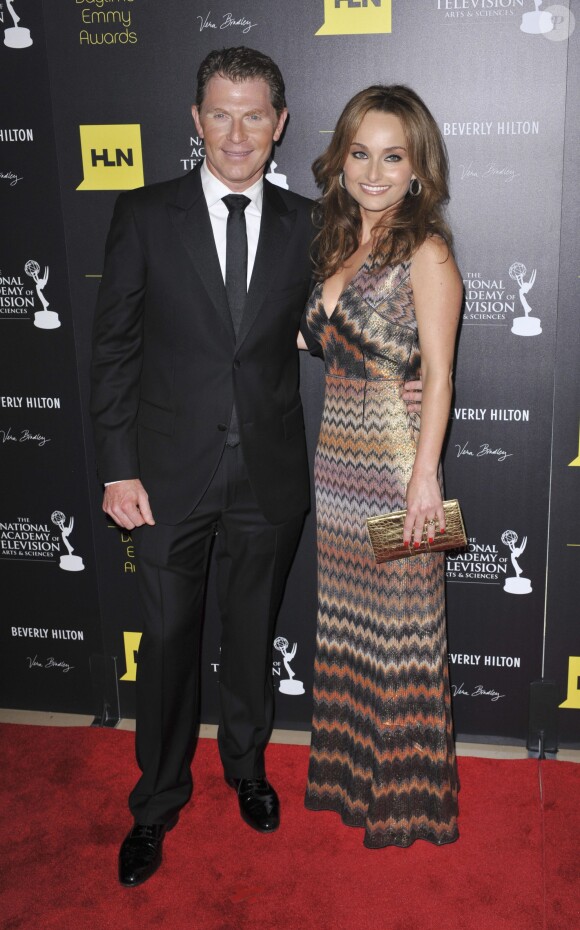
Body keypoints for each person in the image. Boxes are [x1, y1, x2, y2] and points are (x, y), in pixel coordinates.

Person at [91, 48, 423, 886]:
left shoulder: (313, 223)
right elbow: (113, 352)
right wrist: (117, 467)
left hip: (271, 477)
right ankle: (157, 802)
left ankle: (245, 767)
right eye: (220, 113)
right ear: (195, 121)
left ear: (278, 125)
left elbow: (349, 314)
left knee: (250, 641)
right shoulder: (142, 213)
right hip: (164, 477)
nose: (237, 132)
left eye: (254, 115)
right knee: (166, 644)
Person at [299, 85, 462, 848]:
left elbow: (440, 372)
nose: (373, 171)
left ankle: (403, 800)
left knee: (400, 630)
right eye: (360, 153)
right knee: (351, 627)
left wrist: (424, 475)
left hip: (396, 457)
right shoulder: (339, 242)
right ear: (340, 160)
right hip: (337, 458)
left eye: (392, 156)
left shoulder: (424, 250)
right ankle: (348, 778)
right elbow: (316, 339)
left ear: (417, 169)